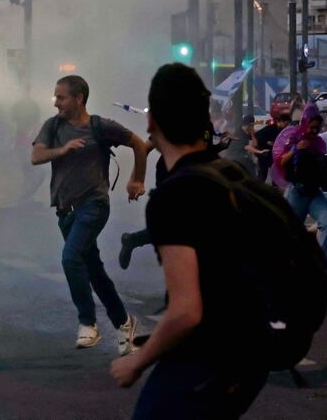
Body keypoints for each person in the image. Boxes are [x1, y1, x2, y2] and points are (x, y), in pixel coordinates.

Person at [109, 63, 269, 417]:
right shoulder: (232, 174)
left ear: (152, 124)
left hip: (210, 354)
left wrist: (137, 362)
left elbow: (186, 311)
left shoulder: (176, 196)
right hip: (254, 349)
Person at [31, 75, 146, 353]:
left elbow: (139, 145)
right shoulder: (53, 126)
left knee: (71, 258)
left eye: (61, 97)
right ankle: (123, 322)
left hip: (93, 205)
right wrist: (63, 149)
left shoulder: (99, 126)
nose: (56, 102)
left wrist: (137, 180)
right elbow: (36, 156)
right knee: (93, 269)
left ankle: (88, 324)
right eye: (55, 97)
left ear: (79, 97)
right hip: (65, 211)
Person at [273, 102, 327, 279]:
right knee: (290, 230)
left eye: (317, 128)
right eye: (311, 127)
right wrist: (294, 150)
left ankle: (321, 267)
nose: (314, 131)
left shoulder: (318, 142)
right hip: (296, 191)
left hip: (314, 191)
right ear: (305, 124)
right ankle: (285, 267)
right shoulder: (293, 137)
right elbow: (280, 162)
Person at [250, 113, 289, 183]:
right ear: (280, 121)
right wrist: (266, 143)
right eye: (285, 123)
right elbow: (258, 135)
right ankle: (259, 186)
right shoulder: (270, 128)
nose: (286, 125)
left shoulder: (281, 130)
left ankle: (275, 186)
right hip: (264, 153)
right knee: (263, 172)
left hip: (272, 154)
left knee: (275, 170)